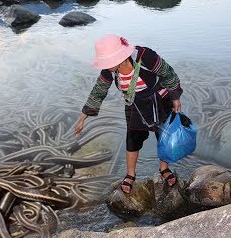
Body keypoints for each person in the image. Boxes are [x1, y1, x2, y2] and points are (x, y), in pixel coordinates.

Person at [74, 34, 183, 194]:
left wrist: (175, 98)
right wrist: (82, 118)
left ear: (121, 56)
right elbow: (98, 91)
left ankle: (164, 168)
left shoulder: (146, 56)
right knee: (132, 138)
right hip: (134, 104)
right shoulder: (110, 71)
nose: (106, 65)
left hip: (158, 100)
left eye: (108, 61)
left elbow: (169, 74)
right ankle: (131, 174)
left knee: (164, 136)